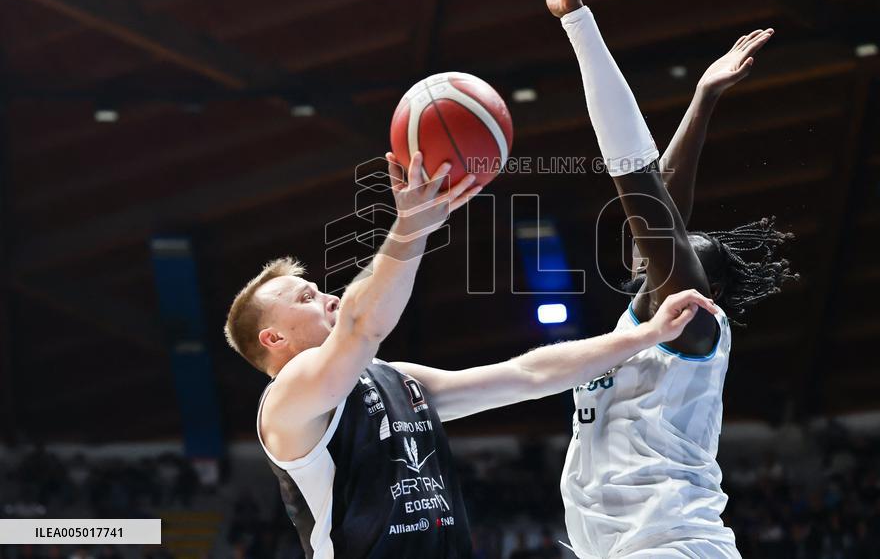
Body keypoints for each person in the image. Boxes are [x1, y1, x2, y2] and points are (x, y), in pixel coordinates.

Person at [224, 150, 721, 558]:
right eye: (306, 298)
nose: (327, 296)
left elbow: (526, 375)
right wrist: (410, 226)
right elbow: (362, 325)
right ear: (273, 340)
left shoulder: (395, 379)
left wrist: (645, 335)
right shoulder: (286, 401)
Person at [540, 0, 798, 558]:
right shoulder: (654, 323)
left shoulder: (691, 323)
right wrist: (704, 98)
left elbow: (640, 183)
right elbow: (660, 209)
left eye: (669, 256)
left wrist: (578, 23)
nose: (650, 252)